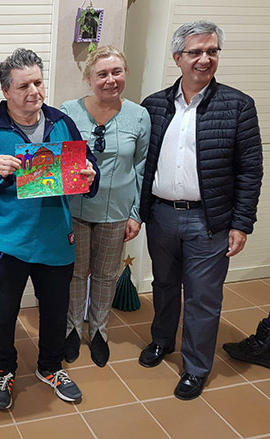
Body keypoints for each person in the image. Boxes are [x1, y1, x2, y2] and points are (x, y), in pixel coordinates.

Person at [0, 48, 99, 410]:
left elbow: (88, 170)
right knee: (3, 313)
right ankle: (4, 370)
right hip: (6, 241)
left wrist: (91, 175)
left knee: (55, 309)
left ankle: (50, 367)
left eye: (38, 82)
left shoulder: (61, 122)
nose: (34, 91)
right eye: (24, 85)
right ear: (6, 90)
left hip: (54, 238)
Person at [137, 20, 263, 400]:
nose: (204, 59)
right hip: (161, 215)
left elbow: (250, 170)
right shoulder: (154, 105)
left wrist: (242, 223)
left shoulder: (238, 105)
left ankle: (195, 367)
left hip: (210, 221)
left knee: (203, 297)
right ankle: (162, 341)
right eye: (195, 52)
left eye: (212, 51)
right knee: (163, 285)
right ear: (178, 58)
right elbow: (142, 163)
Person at [59, 46, 150, 367]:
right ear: (88, 78)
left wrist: (136, 214)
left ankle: (98, 331)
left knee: (105, 276)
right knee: (74, 274)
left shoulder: (139, 116)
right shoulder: (68, 111)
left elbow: (141, 169)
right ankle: (71, 328)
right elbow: (57, 161)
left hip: (117, 214)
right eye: (102, 74)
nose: (111, 80)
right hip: (77, 211)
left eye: (117, 72)